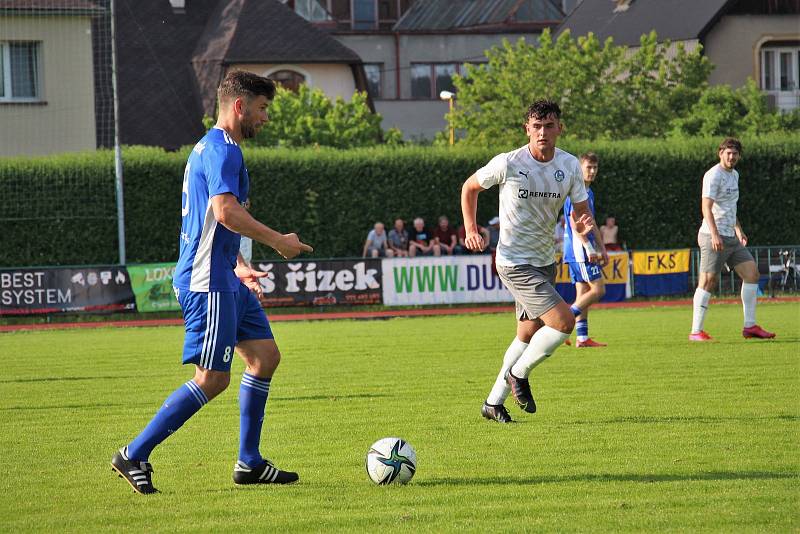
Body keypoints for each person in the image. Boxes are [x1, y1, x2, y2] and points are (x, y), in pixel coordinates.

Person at [110, 70, 313, 494]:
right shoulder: (223, 151)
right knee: (212, 378)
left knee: (264, 357)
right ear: (239, 106)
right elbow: (224, 212)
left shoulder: (212, 147)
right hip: (207, 282)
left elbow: (216, 221)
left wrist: (238, 264)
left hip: (225, 277)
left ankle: (249, 462)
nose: (265, 118)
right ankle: (134, 453)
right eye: (262, 109)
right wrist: (279, 242)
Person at [461, 99, 598, 424]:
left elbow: (581, 211)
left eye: (549, 126)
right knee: (563, 322)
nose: (542, 133)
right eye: (536, 127)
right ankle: (519, 375)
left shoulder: (568, 167)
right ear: (527, 129)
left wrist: (583, 226)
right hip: (513, 261)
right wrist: (471, 228)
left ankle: (493, 403)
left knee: (527, 333)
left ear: (559, 129)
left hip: (543, 262)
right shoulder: (508, 162)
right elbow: (469, 187)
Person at [689, 137, 775, 341]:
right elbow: (706, 208)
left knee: (752, 274)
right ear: (720, 153)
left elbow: (729, 206)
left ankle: (750, 326)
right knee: (708, 280)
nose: (731, 156)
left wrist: (739, 230)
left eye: (735, 153)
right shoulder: (713, 175)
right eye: (728, 153)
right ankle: (695, 331)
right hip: (712, 235)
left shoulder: (734, 175)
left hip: (731, 237)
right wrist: (716, 234)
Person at [563, 152, 609, 348]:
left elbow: (592, 223)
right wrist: (590, 247)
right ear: (579, 168)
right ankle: (558, 323)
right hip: (579, 249)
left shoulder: (588, 192)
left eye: (595, 168)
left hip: (576, 249)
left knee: (582, 292)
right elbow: (575, 224)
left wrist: (603, 248)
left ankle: (582, 338)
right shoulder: (577, 191)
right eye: (588, 167)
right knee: (598, 290)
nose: (592, 171)